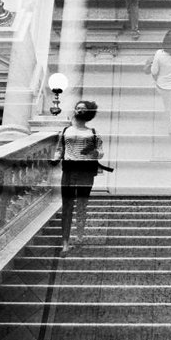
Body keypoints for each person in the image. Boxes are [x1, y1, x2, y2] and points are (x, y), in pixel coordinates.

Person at [51, 100, 104, 253]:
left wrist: (94, 152)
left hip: (86, 171)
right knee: (67, 206)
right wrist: (54, 160)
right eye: (78, 108)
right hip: (69, 171)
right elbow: (59, 149)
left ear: (89, 112)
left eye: (83, 109)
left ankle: (79, 237)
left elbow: (100, 152)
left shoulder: (93, 132)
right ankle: (65, 243)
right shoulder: (66, 131)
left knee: (81, 205)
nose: (80, 111)